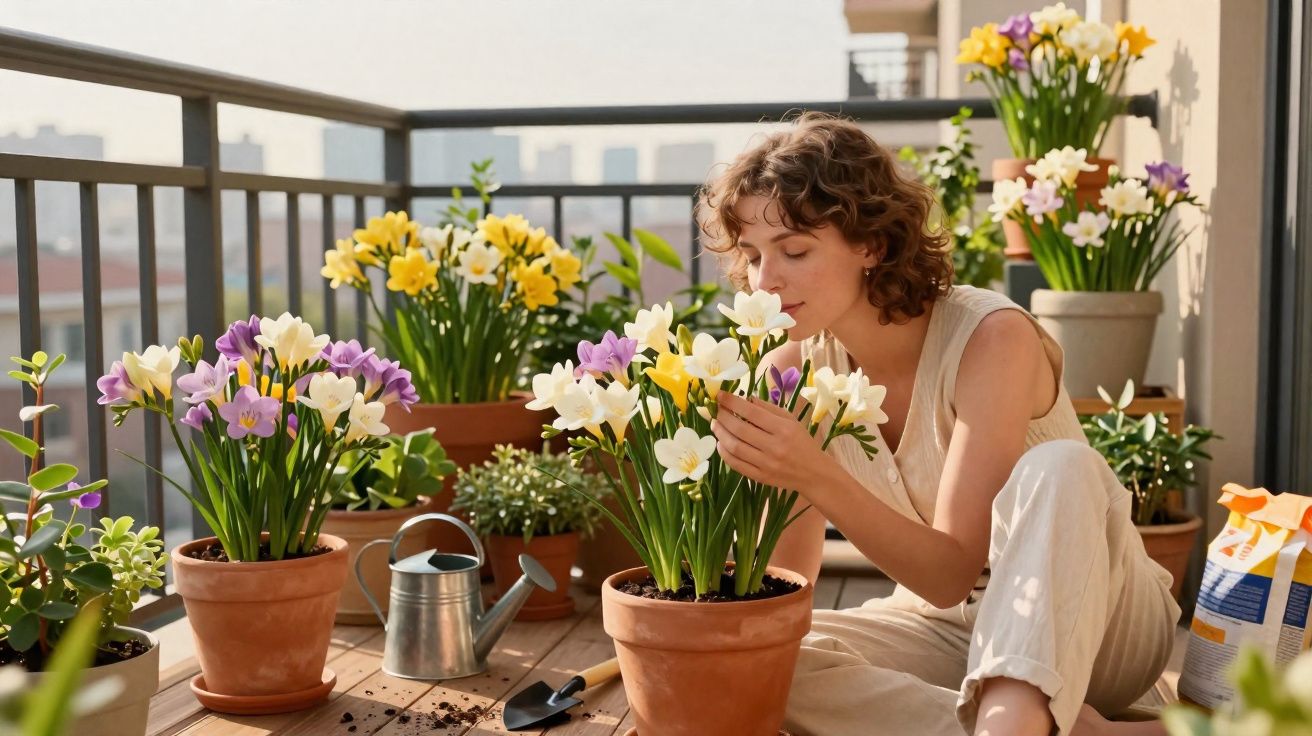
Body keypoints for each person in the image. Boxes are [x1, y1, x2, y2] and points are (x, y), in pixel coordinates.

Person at [697, 112, 1180, 736]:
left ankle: (1020, 720)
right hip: (946, 629)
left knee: (1060, 466)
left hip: (1093, 617)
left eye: (794, 250)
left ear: (870, 243)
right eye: (752, 255)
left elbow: (950, 572)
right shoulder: (791, 367)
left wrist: (812, 471)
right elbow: (791, 588)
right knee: (762, 663)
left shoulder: (991, 338)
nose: (766, 281)